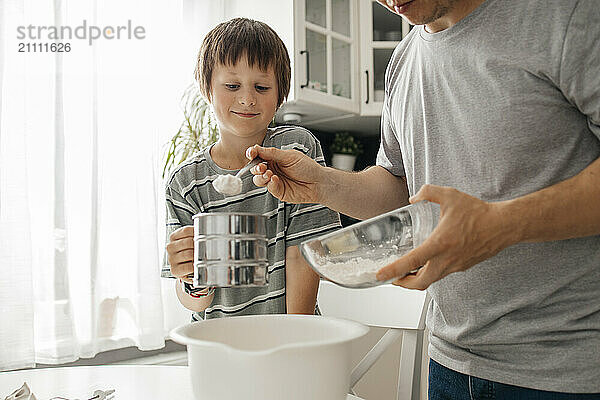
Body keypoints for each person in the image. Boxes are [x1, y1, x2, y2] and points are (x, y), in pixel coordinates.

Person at [248, 0, 600, 398]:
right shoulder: (404, 60)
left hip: (565, 369)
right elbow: (402, 190)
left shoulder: (564, 16)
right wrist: (322, 184)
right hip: (449, 360)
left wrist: (503, 225)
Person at [162, 18, 340, 320]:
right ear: (206, 89)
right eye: (232, 86)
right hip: (221, 348)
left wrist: (295, 337)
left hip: (292, 339)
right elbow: (195, 303)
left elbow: (304, 254)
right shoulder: (185, 183)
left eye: (261, 87)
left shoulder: (295, 151)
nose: (247, 98)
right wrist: (190, 277)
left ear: (280, 93)